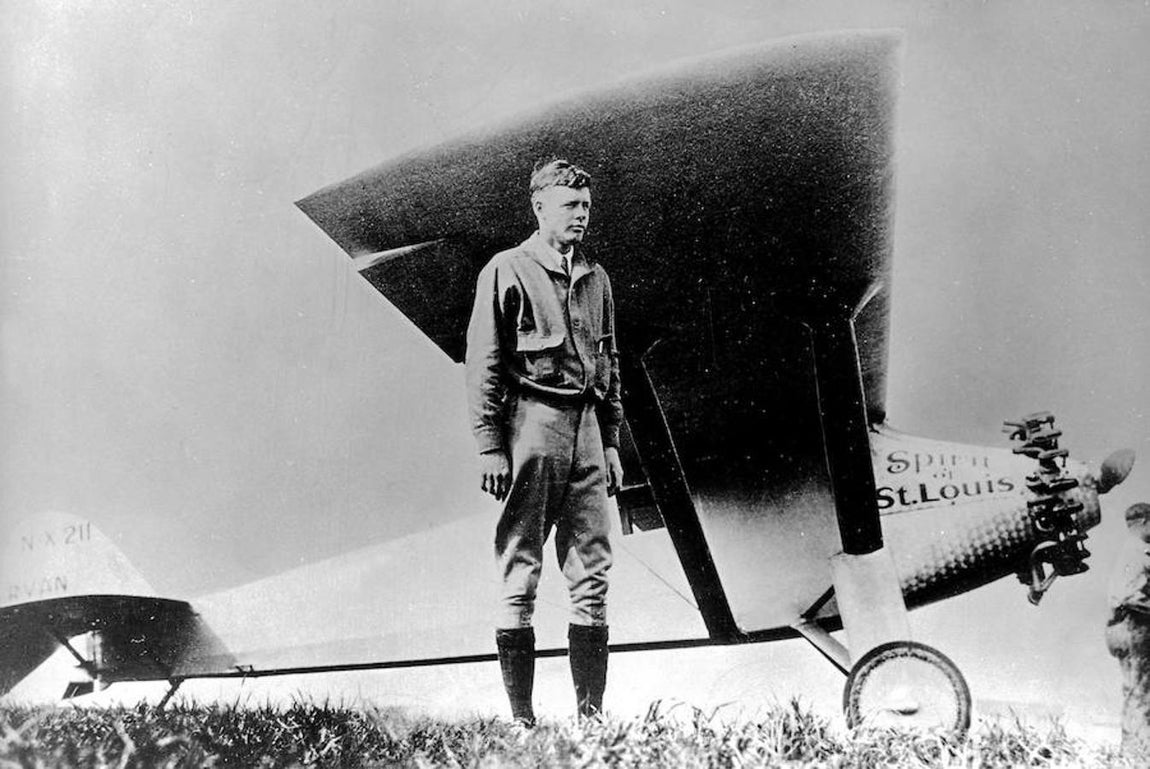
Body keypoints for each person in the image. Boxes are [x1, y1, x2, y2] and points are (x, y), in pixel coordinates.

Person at [465, 158, 624, 725]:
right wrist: (489, 444)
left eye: (585, 207)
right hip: (531, 424)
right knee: (521, 565)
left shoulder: (597, 278)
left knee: (593, 568)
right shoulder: (507, 270)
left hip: (585, 429)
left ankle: (591, 717)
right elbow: (484, 361)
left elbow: (610, 363)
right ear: (539, 208)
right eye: (569, 207)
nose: (581, 216)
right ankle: (522, 719)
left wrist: (610, 442)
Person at [1107, 502, 1150, 758]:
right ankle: (1137, 754)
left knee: (1134, 690)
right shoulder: (1139, 553)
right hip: (1135, 626)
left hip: (1120, 628)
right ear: (1144, 521)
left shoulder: (1127, 551)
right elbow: (1130, 597)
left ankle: (1130, 752)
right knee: (1141, 692)